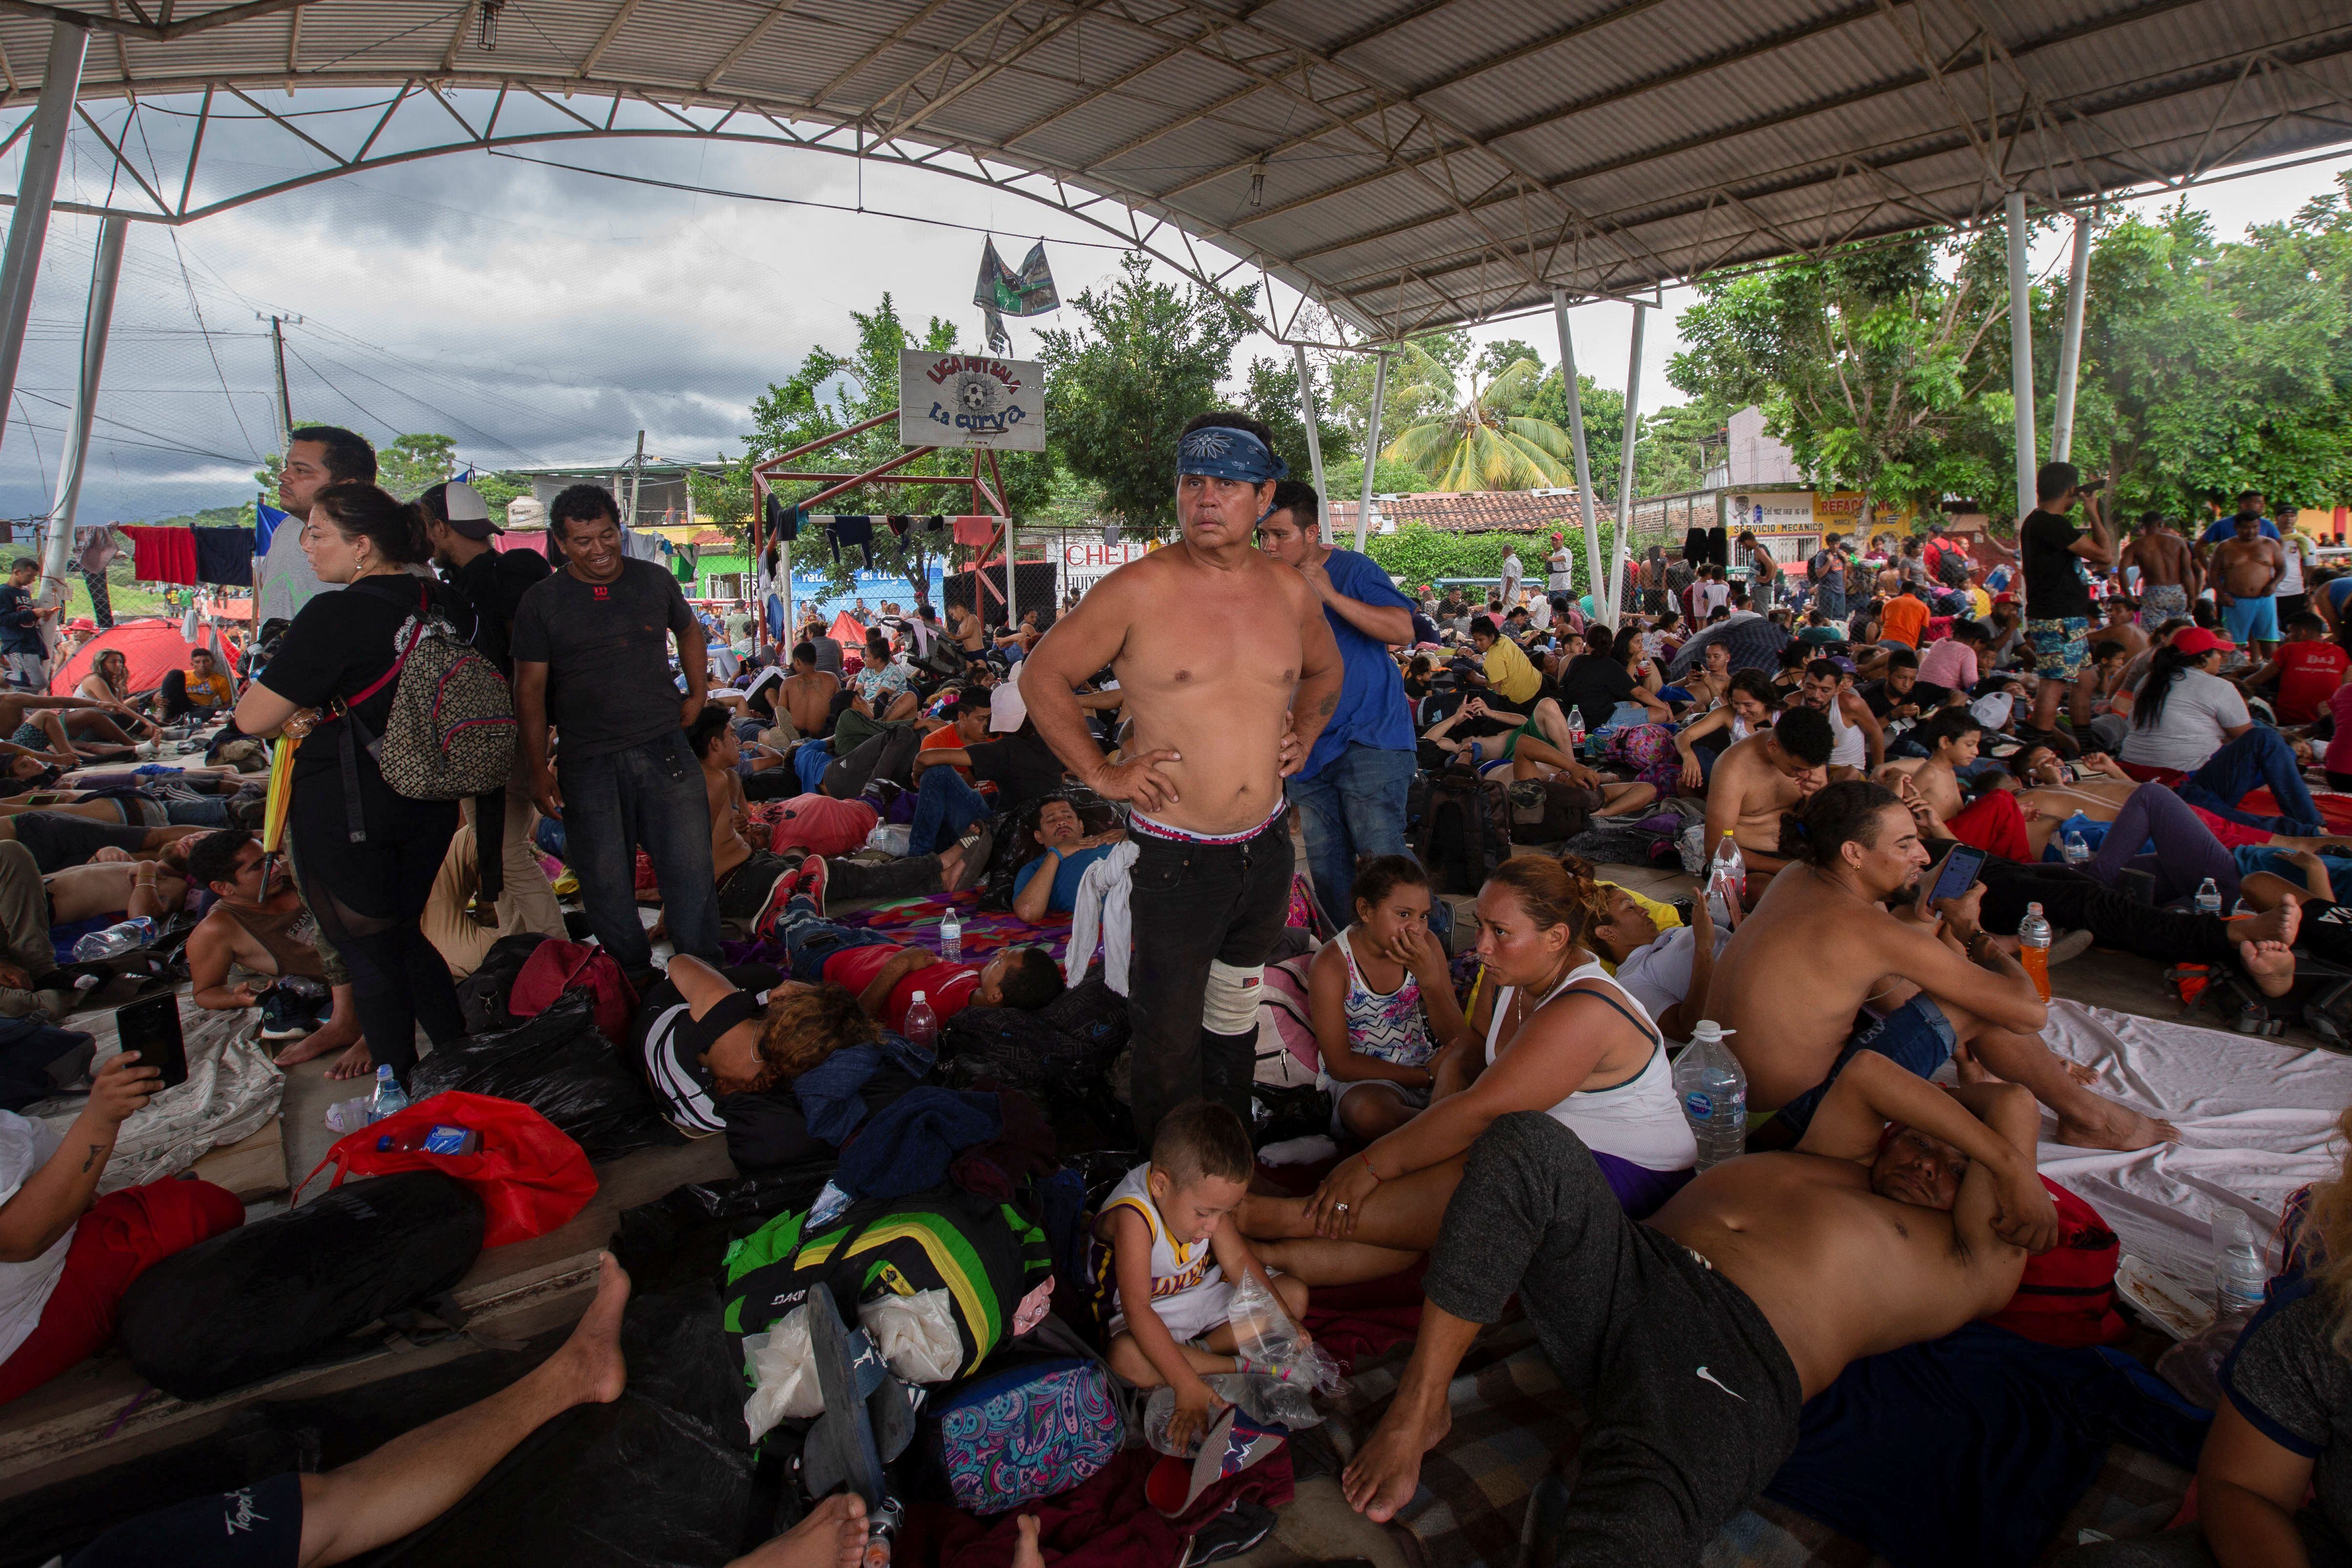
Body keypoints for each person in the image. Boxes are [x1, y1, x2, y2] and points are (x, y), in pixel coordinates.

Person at [1339, 1053, 2059, 1559]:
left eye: (1952, 1167)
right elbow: (1872, 1075)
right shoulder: (1841, 1155)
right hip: (1630, 1271)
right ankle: (1422, 1402)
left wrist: (2007, 1166)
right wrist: (1990, 1157)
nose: (1927, 1161)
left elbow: (2016, 1102)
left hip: (1733, 1357)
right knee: (1525, 1141)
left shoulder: (1971, 1257)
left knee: (1629, 1532)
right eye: (1921, 1141)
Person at [1018, 411, 1342, 1142]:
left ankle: (1226, 1155)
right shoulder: (1139, 589)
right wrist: (1101, 772)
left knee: (1232, 1013)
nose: (1205, 497)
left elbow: (1325, 668)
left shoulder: (1289, 592)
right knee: (1166, 1030)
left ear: (1263, 497)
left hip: (1264, 850)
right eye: (1192, 480)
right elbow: (1043, 676)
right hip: (1176, 856)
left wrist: (1309, 731)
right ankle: (1165, 1181)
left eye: (1226, 483)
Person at [1243, 856, 1700, 1282]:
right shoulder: (1507, 976)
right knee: (1423, 1218)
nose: (1480, 945)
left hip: (1628, 1174)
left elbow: (1480, 1107)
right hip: (1534, 1149)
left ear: (1557, 938)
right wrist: (1438, 1096)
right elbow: (1467, 1049)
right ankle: (1266, 1256)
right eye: (1480, 925)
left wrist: (1370, 1164)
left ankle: (1276, 1218)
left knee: (1473, 1180)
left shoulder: (1584, 1006)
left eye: (1499, 931)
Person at [1710, 780, 2173, 1150]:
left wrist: (1922, 915)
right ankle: (2089, 1117)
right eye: (1905, 844)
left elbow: (1892, 992)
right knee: (1974, 1002)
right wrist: (1974, 936)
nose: (1924, 855)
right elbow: (2028, 1011)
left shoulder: (1798, 876)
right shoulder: (1865, 928)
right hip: (1792, 1125)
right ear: (1853, 854)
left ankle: (2005, 1076)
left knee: (1945, 991)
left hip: (1734, 1109)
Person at [230, 484, 468, 1087]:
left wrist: (300, 711)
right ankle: (462, 1066)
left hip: (351, 803)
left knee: (373, 956)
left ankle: (403, 1091)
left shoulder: (338, 613)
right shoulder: (442, 603)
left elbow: (252, 717)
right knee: (404, 940)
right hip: (430, 800)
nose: (306, 545)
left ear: (361, 546)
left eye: (317, 532)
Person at [514, 483, 720, 985]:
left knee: (691, 872)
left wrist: (698, 694)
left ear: (619, 528)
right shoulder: (542, 601)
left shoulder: (653, 581)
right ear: (561, 543)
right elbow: (530, 688)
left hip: (664, 748)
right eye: (583, 541)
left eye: (607, 534)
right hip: (588, 760)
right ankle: (633, 980)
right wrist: (538, 766)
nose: (599, 549)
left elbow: (689, 630)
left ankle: (703, 979)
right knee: (605, 883)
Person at [0, 1051, 244, 1405]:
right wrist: (101, 1117)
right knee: (207, 1209)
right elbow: (23, 1238)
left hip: (38, 1253)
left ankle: (132, 1216)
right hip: (25, 1311)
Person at [1094, 1100, 1311, 1449]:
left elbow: (1239, 1258)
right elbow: (1138, 1310)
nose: (1213, 1226)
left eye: (1223, 1213)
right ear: (1160, 1184)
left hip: (1196, 1297)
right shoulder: (1135, 1216)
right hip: (1146, 1314)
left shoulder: (1201, 1200)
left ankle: (1197, 1353)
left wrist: (1285, 1319)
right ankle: (1237, 1367)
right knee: (1125, 1358)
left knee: (1293, 1295)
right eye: (1204, 1213)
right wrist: (1185, 1385)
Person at [1255, 483, 1418, 921]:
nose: (1268, 546)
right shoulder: (1265, 583)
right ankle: (1348, 962)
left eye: (1279, 535)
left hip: (1369, 737)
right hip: (1306, 745)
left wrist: (1328, 594)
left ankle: (1427, 954)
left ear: (1311, 533)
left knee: (1383, 858)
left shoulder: (1353, 569)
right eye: (1262, 536)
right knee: (1328, 867)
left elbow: (1402, 630)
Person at [418, 478, 564, 946]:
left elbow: (527, 668)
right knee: (496, 853)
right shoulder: (462, 585)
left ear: (439, 528)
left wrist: (535, 750)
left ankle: (559, 956)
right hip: (494, 738)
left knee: (502, 854)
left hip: (504, 738)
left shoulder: (505, 578)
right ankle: (522, 950)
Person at [1305, 856, 1472, 1141]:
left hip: (1424, 1062)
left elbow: (1456, 1037)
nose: (1416, 929)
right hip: (1367, 1081)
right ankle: (1448, 1132)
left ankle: (1435, 1131)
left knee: (1481, 1071)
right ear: (1365, 911)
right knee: (1367, 1113)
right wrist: (1426, 1077)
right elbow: (1341, 1065)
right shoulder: (1331, 965)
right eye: (1403, 915)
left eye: (1423, 916)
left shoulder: (1427, 945)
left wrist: (1430, 981)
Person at [2118, 627, 2326, 836]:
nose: (2222, 659)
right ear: (2202, 659)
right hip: (2184, 783)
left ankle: (2307, 824)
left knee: (2272, 743)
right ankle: (2310, 821)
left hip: (2139, 774)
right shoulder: (2218, 687)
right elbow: (2249, 738)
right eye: (2218, 654)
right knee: (2271, 742)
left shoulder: (2148, 681)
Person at [183, 830, 352, 1058]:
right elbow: (205, 992)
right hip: (351, 986)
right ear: (223, 888)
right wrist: (238, 997)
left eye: (269, 858)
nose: (274, 868)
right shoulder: (218, 930)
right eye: (257, 867)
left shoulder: (293, 875)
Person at [2019, 461, 2115, 751]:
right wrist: (2093, 513)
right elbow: (2105, 555)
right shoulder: (2051, 523)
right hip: (2057, 616)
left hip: (2065, 617)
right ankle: (2038, 749)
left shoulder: (2040, 521)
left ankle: (2084, 745)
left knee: (2085, 680)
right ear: (2072, 490)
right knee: (2055, 681)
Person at [1701, 704, 1834, 896]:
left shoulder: (1809, 757)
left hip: (1801, 851)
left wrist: (1813, 801)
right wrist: (1785, 868)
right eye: (1797, 769)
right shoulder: (1733, 767)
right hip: (1752, 858)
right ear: (1773, 747)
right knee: (1764, 890)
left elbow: (1821, 824)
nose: (1805, 774)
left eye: (1810, 768)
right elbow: (1717, 849)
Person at [1012, 797, 1124, 922]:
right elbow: (1028, 912)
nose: (1061, 823)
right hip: (1128, 900)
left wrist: (1133, 835)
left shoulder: (1107, 839)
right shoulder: (1035, 868)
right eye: (1052, 820)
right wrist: (1056, 854)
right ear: (1039, 837)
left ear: (1081, 826)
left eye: (1068, 817)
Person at [2235, 611, 2347, 726]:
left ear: (2302, 633)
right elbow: (2345, 686)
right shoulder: (2340, 652)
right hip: (2328, 722)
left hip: (2289, 721)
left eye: (2290, 632)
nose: (2287, 636)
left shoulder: (2289, 649)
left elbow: (2257, 680)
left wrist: (2234, 689)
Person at [1792, 657, 1883, 780]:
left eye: (1825, 690)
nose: (1815, 695)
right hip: (1807, 767)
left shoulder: (1851, 704)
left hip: (1845, 769)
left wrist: (1878, 772)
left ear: (1838, 689)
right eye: (1811, 687)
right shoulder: (1791, 703)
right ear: (1803, 682)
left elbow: (1875, 732)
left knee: (1849, 775)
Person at [2213, 507, 2288, 657]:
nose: (2251, 531)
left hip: (2265, 600)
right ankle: (2234, 675)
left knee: (2269, 641)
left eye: (2255, 527)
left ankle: (2271, 677)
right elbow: (2213, 573)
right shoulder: (2225, 547)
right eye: (2246, 528)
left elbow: (2282, 568)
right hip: (2235, 601)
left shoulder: (2270, 544)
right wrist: (2221, 595)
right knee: (2234, 645)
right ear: (2237, 527)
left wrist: (2274, 584)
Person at [2118, 512, 2198, 630]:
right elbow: (2187, 572)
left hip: (2153, 593)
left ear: (2142, 526)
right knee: (2179, 632)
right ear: (2161, 524)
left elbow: (2122, 571)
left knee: (2153, 635)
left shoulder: (2135, 546)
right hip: (2177, 592)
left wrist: (2130, 594)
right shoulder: (2179, 543)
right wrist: (2192, 597)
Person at [0, 558, 55, 690]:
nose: (33, 580)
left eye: (35, 577)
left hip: (31, 644)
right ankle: (4, 675)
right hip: (16, 648)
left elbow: (25, 618)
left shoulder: (25, 592)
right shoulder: (3, 592)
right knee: (30, 681)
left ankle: (23, 710)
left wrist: (40, 616)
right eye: (30, 575)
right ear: (17, 572)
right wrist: (33, 614)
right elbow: (3, 619)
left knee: (27, 686)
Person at [1499, 544, 1523, 612]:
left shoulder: (1510, 563)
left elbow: (1510, 579)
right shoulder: (1517, 562)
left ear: (1505, 552)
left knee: (1505, 615)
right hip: (1514, 594)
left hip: (1510, 595)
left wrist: (1506, 595)